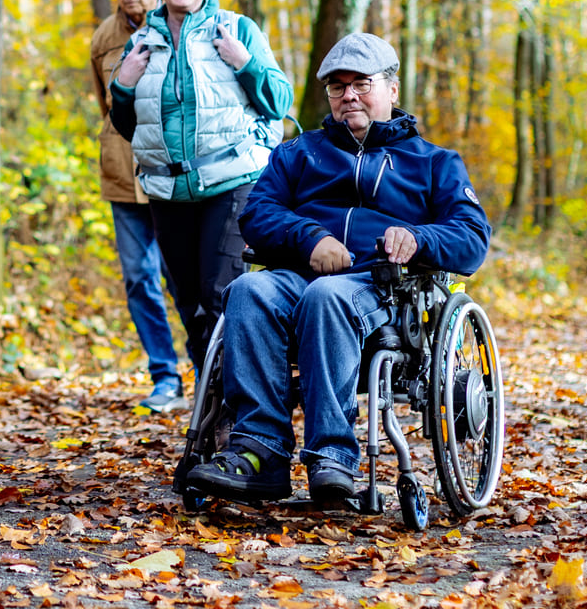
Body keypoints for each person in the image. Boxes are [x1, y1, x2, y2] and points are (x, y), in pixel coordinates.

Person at [185, 33, 491, 507]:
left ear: (392, 88)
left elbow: (471, 238)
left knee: (326, 297)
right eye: (337, 86)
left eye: (361, 84)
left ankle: (333, 456)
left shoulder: (434, 163)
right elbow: (257, 212)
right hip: (299, 276)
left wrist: (418, 238)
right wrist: (310, 238)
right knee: (248, 290)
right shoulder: (298, 153)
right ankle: (260, 452)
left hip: (383, 290)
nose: (349, 95)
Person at [109, 0, 292, 377]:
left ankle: (237, 405)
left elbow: (280, 102)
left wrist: (244, 62)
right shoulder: (141, 43)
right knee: (188, 304)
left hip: (231, 183)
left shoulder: (237, 29)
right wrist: (123, 86)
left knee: (220, 297)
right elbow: (129, 127)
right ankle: (210, 399)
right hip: (167, 191)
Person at [89, 0, 184, 413]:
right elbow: (107, 107)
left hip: (171, 175)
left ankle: (210, 366)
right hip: (123, 178)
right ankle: (165, 376)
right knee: (139, 278)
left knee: (183, 277)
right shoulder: (103, 39)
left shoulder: (178, 27)